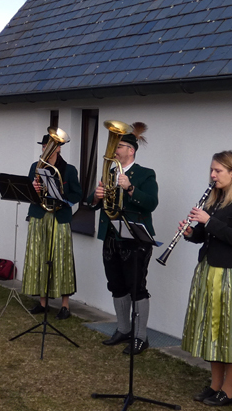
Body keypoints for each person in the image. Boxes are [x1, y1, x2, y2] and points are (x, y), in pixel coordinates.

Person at [179, 150, 232, 407]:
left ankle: (229, 390)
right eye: (212, 170)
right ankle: (214, 385)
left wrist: (209, 221)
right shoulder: (215, 199)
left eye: (218, 171)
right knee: (212, 331)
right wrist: (191, 231)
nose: (212, 176)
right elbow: (205, 236)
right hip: (208, 269)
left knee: (231, 334)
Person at [89, 122, 158, 355]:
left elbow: (151, 204)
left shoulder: (146, 174)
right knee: (116, 284)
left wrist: (130, 189)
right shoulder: (109, 171)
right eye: (115, 145)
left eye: (120, 146)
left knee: (137, 286)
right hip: (111, 236)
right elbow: (93, 203)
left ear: (131, 150)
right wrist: (96, 197)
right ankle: (123, 328)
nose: (115, 149)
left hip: (136, 239)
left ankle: (141, 336)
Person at [23, 131, 82, 320]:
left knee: (61, 259)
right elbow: (29, 194)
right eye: (42, 146)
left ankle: (65, 305)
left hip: (59, 217)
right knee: (39, 256)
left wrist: (63, 198)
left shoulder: (69, 170)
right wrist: (34, 189)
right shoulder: (35, 167)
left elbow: (77, 195)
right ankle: (42, 302)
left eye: (48, 146)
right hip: (39, 215)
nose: (44, 149)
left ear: (58, 148)